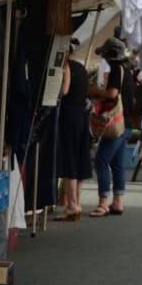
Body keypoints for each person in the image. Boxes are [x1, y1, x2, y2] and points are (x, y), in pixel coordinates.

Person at [89, 36, 134, 217]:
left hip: (117, 123)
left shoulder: (116, 69)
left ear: (110, 56)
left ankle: (103, 202)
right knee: (117, 164)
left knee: (101, 160)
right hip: (128, 122)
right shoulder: (128, 70)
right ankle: (117, 202)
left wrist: (95, 91)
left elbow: (112, 93)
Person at [54, 35, 92, 221]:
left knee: (68, 160)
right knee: (79, 159)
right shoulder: (83, 69)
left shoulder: (66, 67)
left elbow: (65, 90)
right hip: (82, 116)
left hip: (68, 115)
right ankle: (77, 202)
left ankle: (71, 205)